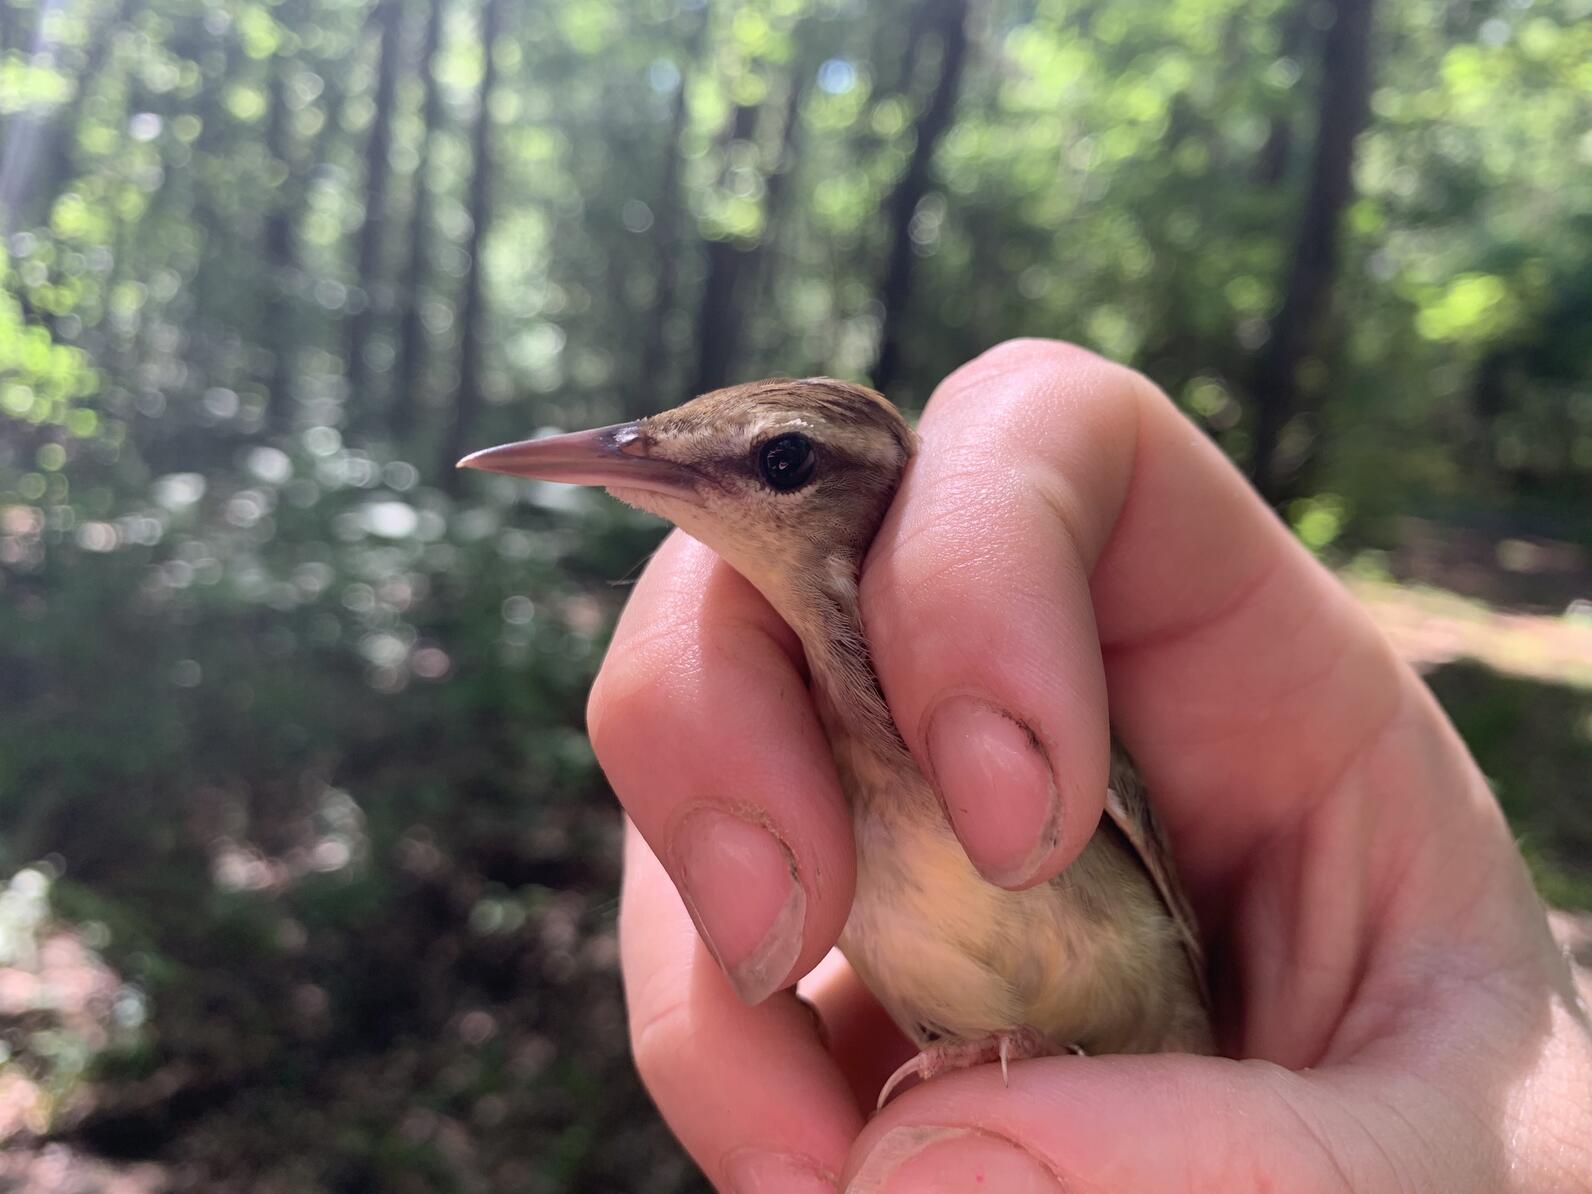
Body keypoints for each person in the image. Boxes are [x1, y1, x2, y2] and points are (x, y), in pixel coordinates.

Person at [588, 340, 1592, 1192]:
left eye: (777, 464)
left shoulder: (1008, 728)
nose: (694, 482)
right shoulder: (821, 743)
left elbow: (1170, 967)